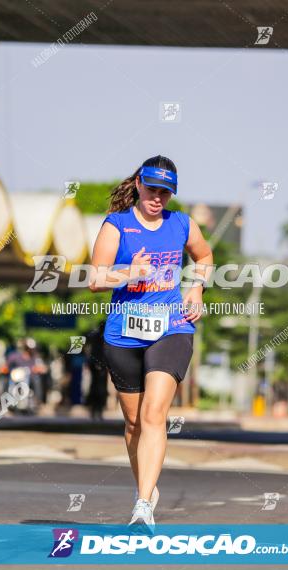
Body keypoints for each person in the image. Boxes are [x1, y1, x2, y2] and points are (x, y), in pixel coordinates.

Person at [89, 155, 213, 530]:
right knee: (133, 423)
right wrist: (130, 272)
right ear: (139, 184)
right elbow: (95, 278)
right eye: (153, 189)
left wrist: (196, 288)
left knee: (154, 414)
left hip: (171, 328)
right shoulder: (118, 225)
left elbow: (204, 255)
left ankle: (143, 505)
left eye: (166, 192)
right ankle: (147, 486)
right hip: (124, 333)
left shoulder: (181, 224)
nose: (158, 197)